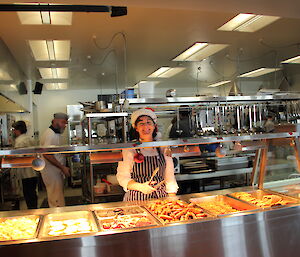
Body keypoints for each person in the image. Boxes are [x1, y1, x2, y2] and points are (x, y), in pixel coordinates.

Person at [117, 108, 178, 201]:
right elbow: (122, 177)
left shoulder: (163, 147)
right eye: (141, 123)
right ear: (136, 128)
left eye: (149, 123)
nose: (145, 127)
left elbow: (169, 177)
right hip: (136, 198)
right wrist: (140, 187)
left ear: (154, 126)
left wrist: (172, 199)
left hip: (161, 198)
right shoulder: (130, 148)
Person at [40, 113, 70, 207]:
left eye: (65, 123)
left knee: (57, 196)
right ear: (55, 121)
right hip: (51, 171)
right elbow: (47, 154)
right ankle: (56, 217)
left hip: (55, 170)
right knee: (55, 198)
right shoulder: (50, 134)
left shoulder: (55, 134)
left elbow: (55, 152)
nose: (64, 126)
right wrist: (62, 167)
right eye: (63, 122)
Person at [12, 121, 38, 209]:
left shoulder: (19, 141)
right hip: (34, 171)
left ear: (18, 130)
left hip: (25, 173)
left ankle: (32, 213)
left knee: (28, 195)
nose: (13, 132)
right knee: (33, 194)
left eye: (14, 129)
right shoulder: (30, 139)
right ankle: (35, 210)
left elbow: (19, 158)